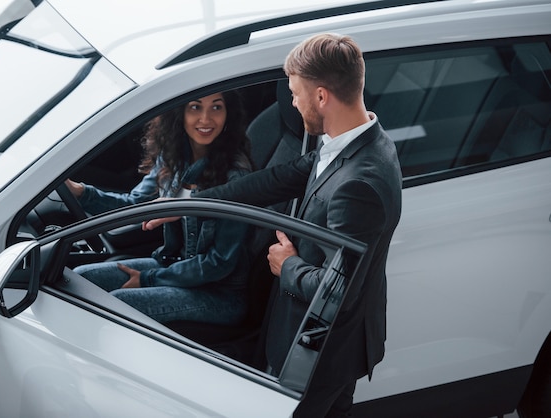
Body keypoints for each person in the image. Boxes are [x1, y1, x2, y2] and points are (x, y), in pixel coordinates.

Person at [145, 34, 402, 416]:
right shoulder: (355, 141)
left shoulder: (359, 184)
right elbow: (276, 179)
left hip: (321, 351)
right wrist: (190, 205)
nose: (293, 103)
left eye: (296, 93)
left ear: (321, 97)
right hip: (323, 341)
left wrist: (287, 265)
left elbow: (339, 292)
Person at [67, 91, 254, 325]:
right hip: (174, 265)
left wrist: (150, 279)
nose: (206, 119)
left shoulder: (236, 175)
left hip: (218, 293)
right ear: (180, 113)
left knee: (118, 304)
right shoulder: (173, 157)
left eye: (216, 108)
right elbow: (136, 205)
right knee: (81, 279)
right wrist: (82, 193)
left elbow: (220, 262)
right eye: (195, 107)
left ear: (228, 114)